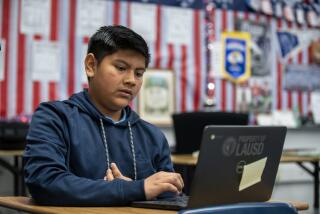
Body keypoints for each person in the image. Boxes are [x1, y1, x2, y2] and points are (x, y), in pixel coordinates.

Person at [24, 25, 184, 206]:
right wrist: (135, 190)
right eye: (121, 68)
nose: (131, 80)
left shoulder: (152, 136)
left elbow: (171, 196)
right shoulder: (55, 117)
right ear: (91, 66)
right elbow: (44, 182)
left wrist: (140, 190)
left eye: (139, 73)